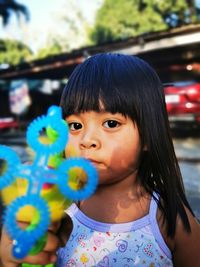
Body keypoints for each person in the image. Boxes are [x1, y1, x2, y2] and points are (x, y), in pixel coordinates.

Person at [1, 53, 200, 267]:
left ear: (149, 135)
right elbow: (17, 252)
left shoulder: (169, 218)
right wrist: (9, 256)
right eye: (75, 126)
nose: (87, 140)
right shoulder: (54, 205)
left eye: (111, 123)